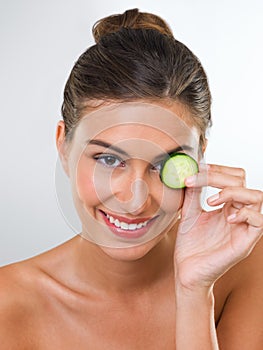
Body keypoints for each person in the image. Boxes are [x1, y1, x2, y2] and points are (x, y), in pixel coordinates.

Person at [0, 8, 262, 349]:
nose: (136, 200)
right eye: (109, 159)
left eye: (165, 164)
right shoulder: (8, 306)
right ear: (63, 146)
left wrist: (195, 292)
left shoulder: (245, 266)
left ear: (200, 157)